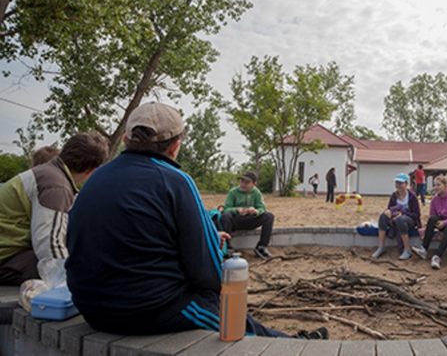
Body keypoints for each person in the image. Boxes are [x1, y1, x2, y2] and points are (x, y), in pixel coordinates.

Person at [66, 102, 327, 339]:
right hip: (144, 308)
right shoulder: (176, 181)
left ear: (125, 139)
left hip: (88, 305)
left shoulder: (96, 178)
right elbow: (209, 274)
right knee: (231, 320)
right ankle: (292, 346)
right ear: (175, 146)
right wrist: (212, 244)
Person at [0, 133, 108, 286]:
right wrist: (66, 283)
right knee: (84, 267)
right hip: (6, 257)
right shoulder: (56, 186)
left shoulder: (48, 173)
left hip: (10, 251)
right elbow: (49, 244)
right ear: (92, 170)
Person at [220, 171, 275, 259]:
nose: (243, 184)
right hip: (236, 221)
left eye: (247, 182)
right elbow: (226, 208)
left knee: (269, 216)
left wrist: (256, 211)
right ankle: (228, 247)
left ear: (254, 184)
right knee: (226, 215)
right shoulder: (233, 192)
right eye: (242, 181)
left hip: (251, 220)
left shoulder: (256, 193)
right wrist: (237, 210)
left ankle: (261, 247)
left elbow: (262, 208)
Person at [411, 175, 447, 269]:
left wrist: (445, 222)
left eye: (438, 185)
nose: (436, 187)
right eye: (435, 185)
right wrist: (437, 223)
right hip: (443, 222)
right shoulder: (435, 199)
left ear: (446, 185)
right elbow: (433, 215)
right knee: (432, 219)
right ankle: (424, 249)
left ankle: (437, 256)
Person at [371, 174, 421, 260]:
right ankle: (381, 246)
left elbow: (416, 214)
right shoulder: (394, 195)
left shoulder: (412, 196)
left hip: (410, 220)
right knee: (383, 217)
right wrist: (389, 212)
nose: (398, 185)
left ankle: (407, 249)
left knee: (400, 219)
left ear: (406, 184)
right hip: (395, 218)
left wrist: (402, 213)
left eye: (400, 183)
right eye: (397, 183)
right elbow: (390, 208)